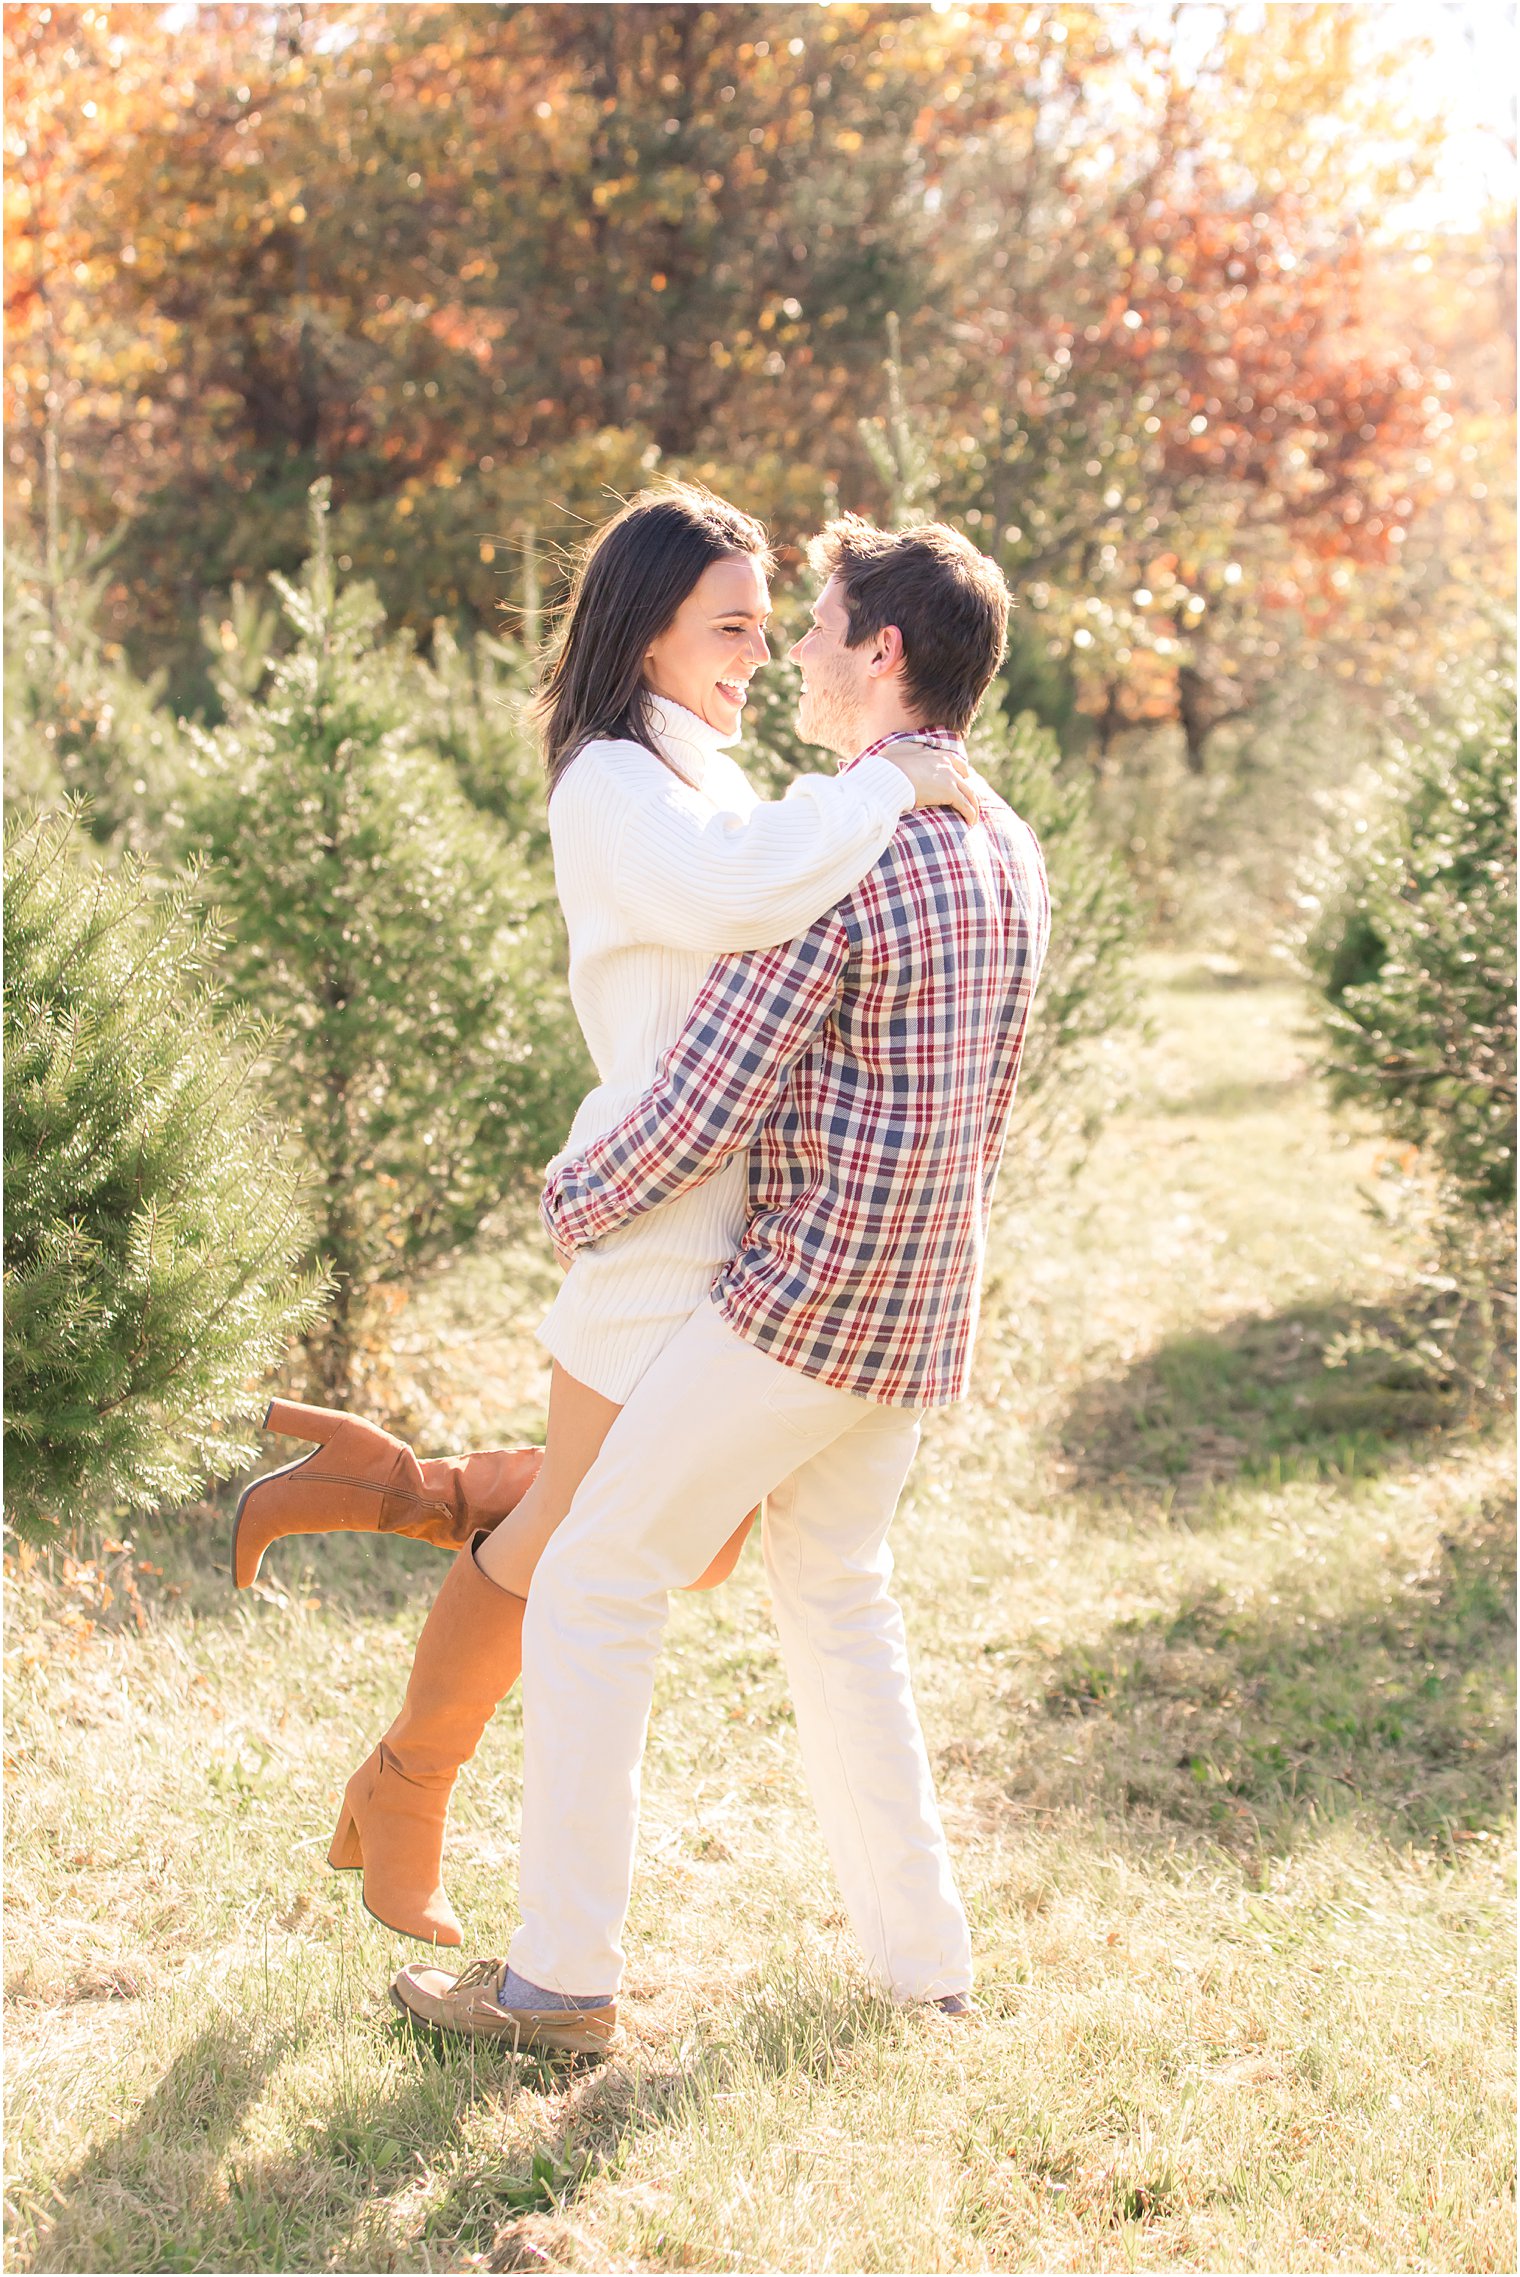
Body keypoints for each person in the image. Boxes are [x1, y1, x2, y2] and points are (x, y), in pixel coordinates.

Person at [231, 483, 978, 1946]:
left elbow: (781, 889)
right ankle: (410, 1777)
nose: (760, 657)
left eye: (771, 629)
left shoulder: (717, 781)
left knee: (661, 1540)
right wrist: (894, 783)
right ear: (644, 636)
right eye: (733, 628)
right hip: (653, 1225)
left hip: (731, 1227)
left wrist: (876, 796)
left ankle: (413, 1494)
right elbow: (736, 889)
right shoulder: (616, 792)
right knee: (604, 1540)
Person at [386, 515, 1051, 2056]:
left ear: (882, 652)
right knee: (839, 1600)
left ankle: (560, 1980)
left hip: (804, 1301)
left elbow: (707, 1093)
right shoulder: (1003, 841)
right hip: (922, 1312)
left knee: (599, 1572)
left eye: (812, 630)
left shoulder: (848, 851)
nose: (797, 656)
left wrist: (575, 1196)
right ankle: (923, 1966)